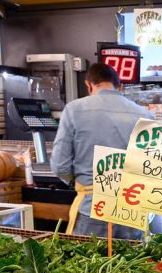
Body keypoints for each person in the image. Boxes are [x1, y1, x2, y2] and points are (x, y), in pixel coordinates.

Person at [51, 63, 151, 240]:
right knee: (131, 265)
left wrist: (81, 183)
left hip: (93, 206)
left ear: (88, 84)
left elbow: (60, 166)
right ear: (119, 86)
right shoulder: (145, 114)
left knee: (88, 264)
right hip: (132, 208)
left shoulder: (74, 109)